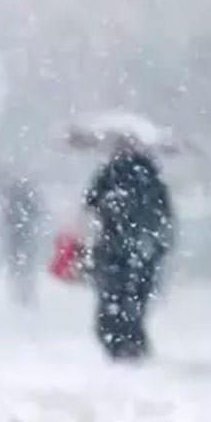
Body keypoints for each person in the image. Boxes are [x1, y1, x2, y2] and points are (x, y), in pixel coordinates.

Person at [84, 138, 173, 361]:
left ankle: (121, 345)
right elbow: (164, 217)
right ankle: (131, 345)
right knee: (132, 303)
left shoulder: (110, 175)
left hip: (116, 251)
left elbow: (89, 204)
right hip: (141, 253)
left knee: (115, 302)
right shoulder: (152, 178)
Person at [0, 176, 43, 307]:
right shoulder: (27, 197)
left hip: (16, 236)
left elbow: (5, 216)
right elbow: (38, 212)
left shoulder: (10, 197)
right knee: (26, 266)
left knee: (17, 267)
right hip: (25, 236)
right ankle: (26, 294)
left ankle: (20, 294)